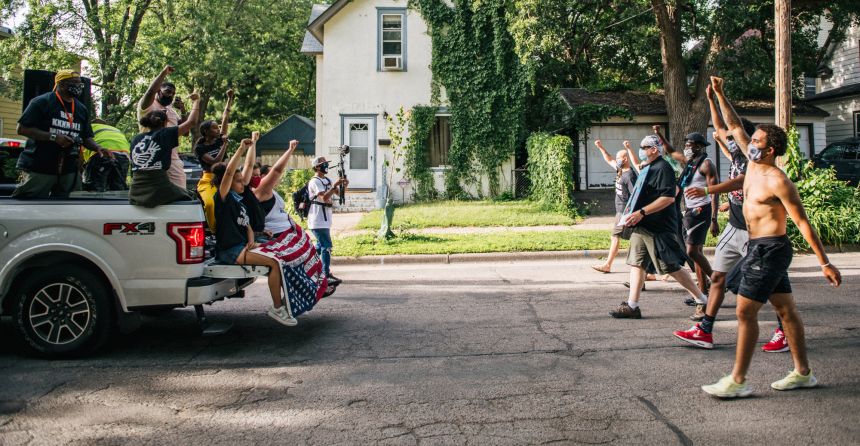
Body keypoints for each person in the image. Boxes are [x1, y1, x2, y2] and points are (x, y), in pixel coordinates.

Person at [700, 76, 842, 398]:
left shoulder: (778, 180)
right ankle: (803, 373)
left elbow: (803, 222)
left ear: (771, 150)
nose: (750, 143)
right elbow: (734, 126)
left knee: (744, 312)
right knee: (786, 311)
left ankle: (737, 380)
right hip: (758, 247)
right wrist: (721, 94)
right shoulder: (751, 166)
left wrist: (825, 263)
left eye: (757, 142)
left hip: (770, 249)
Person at [609, 135, 709, 319]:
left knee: (670, 266)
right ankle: (632, 306)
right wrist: (633, 213)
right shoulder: (648, 167)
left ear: (654, 149)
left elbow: (668, 198)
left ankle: (702, 299)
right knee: (637, 263)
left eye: (644, 147)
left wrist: (642, 212)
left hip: (658, 227)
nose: (641, 150)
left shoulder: (663, 169)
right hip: (643, 225)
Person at [212, 138, 295, 326]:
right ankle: (276, 307)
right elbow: (230, 172)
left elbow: (247, 225)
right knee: (275, 263)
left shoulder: (239, 201)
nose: (243, 184)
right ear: (228, 182)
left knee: (282, 254)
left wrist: (253, 238)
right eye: (239, 181)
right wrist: (241, 148)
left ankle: (285, 301)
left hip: (242, 246)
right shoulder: (223, 198)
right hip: (230, 250)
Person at [13, 70, 112, 199]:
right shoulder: (42, 102)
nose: (78, 86)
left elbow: (86, 137)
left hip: (69, 168)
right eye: (74, 83)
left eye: (80, 84)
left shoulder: (81, 109)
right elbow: (22, 129)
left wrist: (98, 147)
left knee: (73, 205)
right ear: (61, 84)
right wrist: (53, 137)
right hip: (41, 166)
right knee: (29, 204)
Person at [674, 132, 720, 319]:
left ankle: (716, 281)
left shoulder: (707, 164)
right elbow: (672, 153)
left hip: (702, 211)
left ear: (700, 146)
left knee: (692, 252)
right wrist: (660, 135)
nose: (687, 147)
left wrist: (714, 219)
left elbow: (715, 191)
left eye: (691, 144)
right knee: (696, 253)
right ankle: (703, 291)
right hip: (690, 212)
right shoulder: (691, 163)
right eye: (686, 144)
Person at [128, 92, 202, 207]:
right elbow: (191, 122)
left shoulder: (136, 139)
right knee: (191, 196)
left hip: (135, 192)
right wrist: (196, 101)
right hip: (157, 189)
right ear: (166, 123)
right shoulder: (165, 134)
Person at [138, 65, 188, 190]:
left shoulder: (171, 111)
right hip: (152, 155)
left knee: (180, 193)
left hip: (173, 159)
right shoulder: (148, 105)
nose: (170, 95)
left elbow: (185, 132)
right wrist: (163, 73)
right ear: (159, 91)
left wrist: (182, 110)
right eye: (167, 91)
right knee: (154, 194)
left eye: (173, 94)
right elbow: (150, 92)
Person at [591, 139, 637, 274]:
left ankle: (608, 264)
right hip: (621, 211)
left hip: (624, 211)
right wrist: (600, 147)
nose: (616, 160)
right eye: (617, 158)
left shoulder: (630, 176)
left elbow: (634, 195)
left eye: (619, 158)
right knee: (636, 238)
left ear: (626, 159)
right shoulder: (620, 170)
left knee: (615, 236)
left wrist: (631, 213)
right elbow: (609, 159)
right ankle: (650, 270)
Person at [195, 89, 235, 231]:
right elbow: (214, 162)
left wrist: (229, 99)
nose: (218, 130)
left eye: (218, 128)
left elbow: (225, 117)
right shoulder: (199, 148)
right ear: (206, 132)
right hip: (209, 179)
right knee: (211, 204)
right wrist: (224, 144)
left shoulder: (220, 137)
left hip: (226, 176)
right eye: (214, 128)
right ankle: (215, 231)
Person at [308, 156, 348, 287]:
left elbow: (338, 194)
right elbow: (324, 198)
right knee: (327, 246)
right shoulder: (315, 181)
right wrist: (334, 186)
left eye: (326, 163)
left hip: (325, 218)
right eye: (323, 164)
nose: (326, 166)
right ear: (317, 167)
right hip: (317, 219)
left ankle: (307, 265)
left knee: (320, 246)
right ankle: (325, 274)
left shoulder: (327, 180)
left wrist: (343, 186)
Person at [83, 118, 130, 192]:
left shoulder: (89, 128)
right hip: (123, 156)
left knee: (95, 189)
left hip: (101, 153)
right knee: (118, 189)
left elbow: (80, 154)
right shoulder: (114, 129)